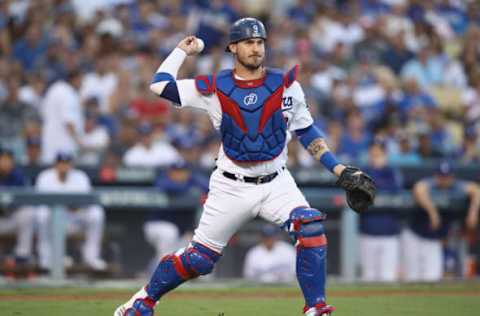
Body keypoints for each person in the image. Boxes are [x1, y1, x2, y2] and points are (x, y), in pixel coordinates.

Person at [115, 17, 374, 316]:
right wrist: (181, 51)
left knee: (311, 228)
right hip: (231, 184)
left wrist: (338, 169)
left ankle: (315, 309)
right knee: (199, 260)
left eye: (260, 42)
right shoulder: (214, 88)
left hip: (277, 181)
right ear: (233, 47)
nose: (255, 48)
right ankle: (142, 301)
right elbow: (160, 85)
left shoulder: (287, 86)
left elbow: (307, 132)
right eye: (249, 42)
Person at [404, 161, 480, 281]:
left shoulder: (457, 186)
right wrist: (432, 211)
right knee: (412, 277)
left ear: (452, 176)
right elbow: (418, 189)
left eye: (447, 176)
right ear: (436, 176)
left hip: (434, 241)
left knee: (433, 278)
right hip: (415, 237)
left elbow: (476, 190)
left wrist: (473, 212)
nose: (444, 179)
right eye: (441, 176)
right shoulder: (431, 184)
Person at [35, 152, 107, 271]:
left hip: (75, 219)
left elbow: (86, 202)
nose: (64, 166)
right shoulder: (45, 177)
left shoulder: (80, 177)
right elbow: (40, 203)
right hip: (52, 221)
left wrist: (72, 207)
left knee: (96, 212)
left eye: (66, 163)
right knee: (41, 213)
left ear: (71, 164)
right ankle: (46, 258)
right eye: (61, 163)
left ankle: (91, 257)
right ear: (55, 164)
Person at [359, 141, 402, 282]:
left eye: (379, 153)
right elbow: (362, 189)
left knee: (388, 276)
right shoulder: (363, 171)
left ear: (385, 154)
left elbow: (395, 189)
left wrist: (377, 175)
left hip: (389, 234)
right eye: (373, 153)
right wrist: (376, 173)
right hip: (368, 233)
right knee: (368, 276)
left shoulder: (391, 171)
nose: (376, 156)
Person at [40, 69, 84, 164]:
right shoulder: (68, 94)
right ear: (75, 79)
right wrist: (80, 142)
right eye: (81, 80)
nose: (81, 84)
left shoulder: (54, 89)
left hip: (49, 140)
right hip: (64, 143)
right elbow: (69, 122)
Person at [0, 148, 35, 263]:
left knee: (27, 213)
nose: (5, 163)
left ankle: (22, 255)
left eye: (8, 160)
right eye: (2, 159)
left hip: (12, 217)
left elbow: (23, 200)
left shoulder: (18, 176)